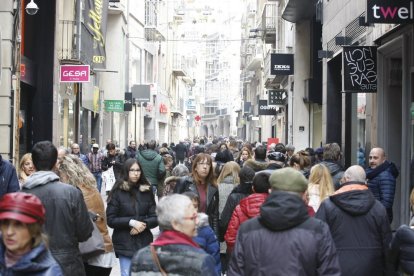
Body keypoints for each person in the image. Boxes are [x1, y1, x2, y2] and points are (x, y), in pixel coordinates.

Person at [228, 167, 340, 275]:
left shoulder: (248, 229)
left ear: (271, 191)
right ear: (304, 194)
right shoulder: (318, 230)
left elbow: (236, 271)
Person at [22, 140, 93, 276]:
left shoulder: (21, 195)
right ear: (55, 163)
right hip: (67, 265)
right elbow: (85, 232)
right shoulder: (71, 193)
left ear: (34, 164)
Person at [316, 165, 392, 275]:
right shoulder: (378, 208)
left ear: (346, 179)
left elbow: (317, 241)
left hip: (335, 269)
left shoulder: (328, 206)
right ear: (365, 181)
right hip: (372, 269)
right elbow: (387, 245)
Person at [129, 194, 218, 275]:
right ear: (175, 224)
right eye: (193, 218)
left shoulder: (139, 257)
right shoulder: (201, 260)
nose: (197, 221)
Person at [58, 155, 115, 276]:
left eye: (60, 175)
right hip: (104, 250)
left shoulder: (75, 192)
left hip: (92, 252)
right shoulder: (91, 188)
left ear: (67, 174)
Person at [106, 158, 158, 276]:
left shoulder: (147, 191)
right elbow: (111, 219)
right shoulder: (117, 191)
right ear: (126, 171)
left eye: (138, 170)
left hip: (144, 241)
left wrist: (142, 224)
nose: (136, 173)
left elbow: (155, 217)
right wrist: (131, 222)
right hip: (124, 242)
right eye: (132, 170)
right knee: (127, 273)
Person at [0, 192, 63, 275]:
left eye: (18, 225)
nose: (9, 232)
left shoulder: (50, 272)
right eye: (5, 223)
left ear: (34, 230)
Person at [174, 153, 219, 236]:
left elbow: (215, 216)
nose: (205, 167)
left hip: (205, 230)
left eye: (208, 164)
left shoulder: (213, 187)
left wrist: (215, 237)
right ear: (195, 167)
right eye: (201, 163)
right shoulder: (185, 182)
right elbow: (174, 209)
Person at [225, 172, 270, 254]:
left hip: (243, 253)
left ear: (253, 188)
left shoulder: (240, 208)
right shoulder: (276, 207)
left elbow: (231, 238)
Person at [184, 191, 221, 275]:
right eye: (189, 206)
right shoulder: (173, 229)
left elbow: (214, 258)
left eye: (195, 206)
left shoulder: (206, 230)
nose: (193, 210)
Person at [219, 166, 255, 241]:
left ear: (239, 178)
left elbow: (225, 220)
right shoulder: (258, 195)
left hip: (236, 238)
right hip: (255, 239)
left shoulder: (234, 197)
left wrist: (222, 236)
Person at [366, 147, 399, 223]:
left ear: (383, 159)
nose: (372, 160)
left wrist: (374, 216)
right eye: (370, 158)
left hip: (379, 219)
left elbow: (386, 203)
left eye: (375, 158)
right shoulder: (371, 173)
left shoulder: (386, 175)